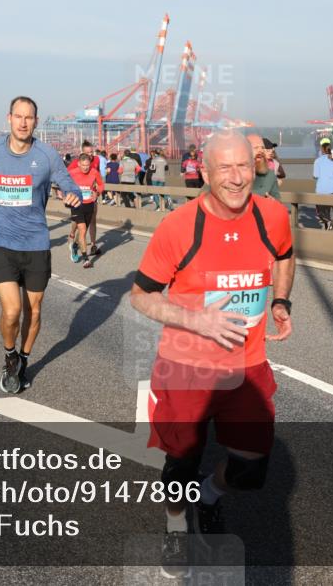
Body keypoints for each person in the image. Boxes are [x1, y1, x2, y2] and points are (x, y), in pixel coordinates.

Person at [129, 129, 294, 577]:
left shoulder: (273, 216)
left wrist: (281, 301)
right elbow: (141, 295)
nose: (237, 178)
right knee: (180, 462)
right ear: (205, 172)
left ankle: (210, 495)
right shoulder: (179, 226)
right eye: (225, 168)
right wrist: (196, 320)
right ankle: (177, 526)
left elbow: (284, 254)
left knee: (252, 467)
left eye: (244, 165)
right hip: (187, 368)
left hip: (247, 366)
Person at [0, 96, 82, 394]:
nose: (23, 122)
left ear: (36, 121)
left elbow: (68, 182)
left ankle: (23, 360)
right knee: (12, 311)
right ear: (9, 118)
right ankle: (10, 355)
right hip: (1, 241)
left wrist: (73, 194)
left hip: (36, 242)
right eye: (18, 116)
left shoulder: (47, 155)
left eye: (29, 117)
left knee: (33, 311)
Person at [65, 152, 104, 268]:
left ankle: (75, 246)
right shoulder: (72, 173)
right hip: (76, 204)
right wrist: (66, 196)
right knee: (81, 230)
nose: (85, 168)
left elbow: (101, 185)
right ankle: (86, 259)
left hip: (89, 205)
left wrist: (97, 193)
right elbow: (64, 184)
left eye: (87, 165)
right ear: (78, 164)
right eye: (83, 165)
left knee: (83, 231)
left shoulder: (94, 172)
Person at [313, 139, 333, 229]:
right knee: (330, 205)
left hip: (321, 190)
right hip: (332, 189)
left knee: (321, 212)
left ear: (322, 149)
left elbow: (315, 175)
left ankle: (328, 222)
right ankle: (332, 221)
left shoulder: (317, 161)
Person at [248, 133, 281, 200]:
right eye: (256, 147)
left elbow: (278, 201)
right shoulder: (235, 175)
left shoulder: (270, 175)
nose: (260, 151)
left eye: (262, 148)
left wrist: (273, 201)